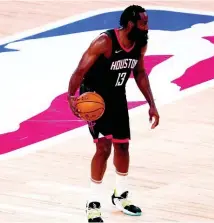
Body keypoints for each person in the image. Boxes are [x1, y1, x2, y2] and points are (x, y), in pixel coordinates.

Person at [67, 5, 159, 222]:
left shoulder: (140, 44)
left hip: (117, 96)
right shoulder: (105, 42)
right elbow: (80, 70)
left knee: (123, 146)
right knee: (103, 147)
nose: (147, 27)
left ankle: (120, 195)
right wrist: (71, 96)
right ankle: (93, 202)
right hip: (95, 97)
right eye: (143, 23)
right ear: (130, 24)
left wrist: (152, 104)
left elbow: (139, 72)